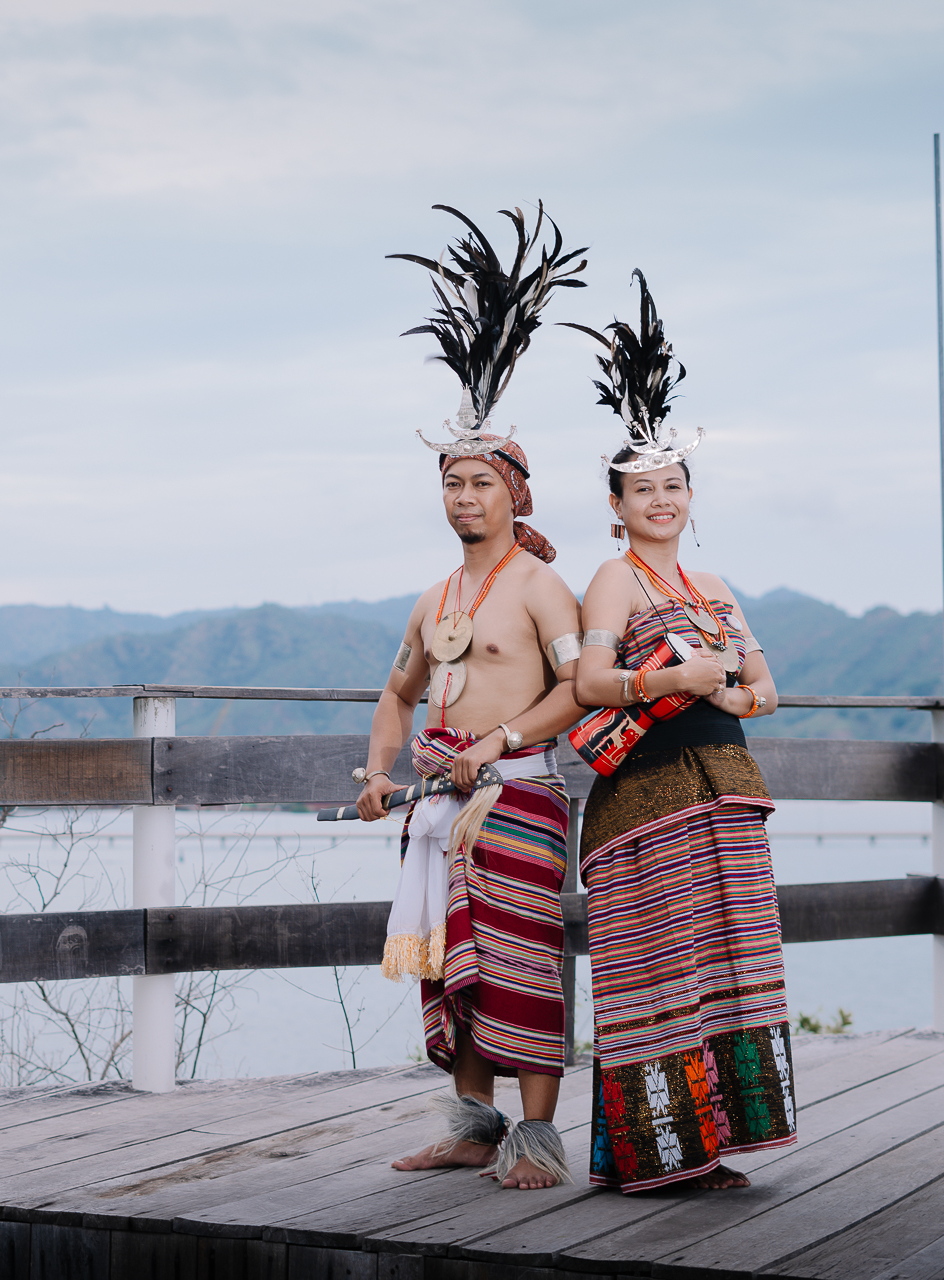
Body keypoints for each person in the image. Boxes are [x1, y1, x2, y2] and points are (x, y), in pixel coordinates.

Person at [361, 202, 592, 1189]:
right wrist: (376, 771)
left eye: (479, 483)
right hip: (437, 802)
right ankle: (472, 1125)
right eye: (452, 482)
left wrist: (496, 743)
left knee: (523, 960)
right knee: (452, 965)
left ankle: (536, 1139)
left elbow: (580, 688)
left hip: (521, 792)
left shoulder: (543, 587)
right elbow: (397, 691)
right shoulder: (433, 596)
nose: (463, 496)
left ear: (514, 494)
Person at [565, 271, 797, 1193]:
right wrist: (673, 679)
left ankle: (714, 1145)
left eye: (672, 485)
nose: (660, 500)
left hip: (727, 791)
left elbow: (765, 683)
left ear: (691, 495)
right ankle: (660, 1154)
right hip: (646, 803)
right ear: (617, 506)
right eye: (642, 489)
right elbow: (587, 684)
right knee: (663, 970)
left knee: (731, 964)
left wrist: (738, 698)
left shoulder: (716, 587)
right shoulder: (613, 578)